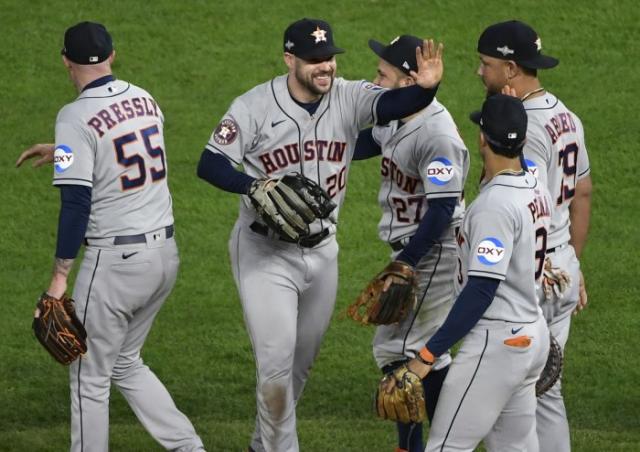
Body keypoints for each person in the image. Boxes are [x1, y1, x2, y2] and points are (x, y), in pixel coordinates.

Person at [196, 18, 443, 452]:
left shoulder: (349, 97)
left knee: (298, 368)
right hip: (263, 251)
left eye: (328, 57)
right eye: (313, 60)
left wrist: (426, 87)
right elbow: (210, 163)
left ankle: (263, 444)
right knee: (274, 365)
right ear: (290, 59)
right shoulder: (254, 106)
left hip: (323, 253)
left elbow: (399, 105)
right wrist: (251, 186)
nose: (324, 66)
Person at [16, 22, 205, 452]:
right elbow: (122, 147)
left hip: (116, 267)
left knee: (88, 377)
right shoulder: (145, 98)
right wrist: (63, 150)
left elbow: (76, 204)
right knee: (124, 362)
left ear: (65, 61)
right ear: (112, 55)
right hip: (163, 257)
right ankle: (189, 447)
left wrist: (60, 277)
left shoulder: (74, 117)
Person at [389, 94, 553, 451]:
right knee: (517, 447)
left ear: (481, 139)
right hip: (531, 333)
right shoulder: (536, 184)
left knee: (445, 446)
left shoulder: (494, 206)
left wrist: (426, 357)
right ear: (523, 140)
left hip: (499, 341)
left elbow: (480, 291)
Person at [476, 20, 592, 451]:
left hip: (534, 272)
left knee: (505, 391)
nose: (479, 72)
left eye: (485, 64)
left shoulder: (527, 126)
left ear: (510, 69)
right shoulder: (566, 115)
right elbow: (582, 192)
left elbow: (526, 207)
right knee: (546, 391)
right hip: (561, 264)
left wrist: (533, 269)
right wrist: (573, 263)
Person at [352, 34, 469, 452]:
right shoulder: (397, 117)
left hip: (434, 251)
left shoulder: (437, 136)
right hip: (416, 251)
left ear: (406, 81)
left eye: (381, 75)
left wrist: (405, 263)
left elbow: (441, 210)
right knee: (424, 353)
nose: (373, 80)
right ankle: (441, 444)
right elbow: (366, 142)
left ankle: (421, 446)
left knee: (398, 353)